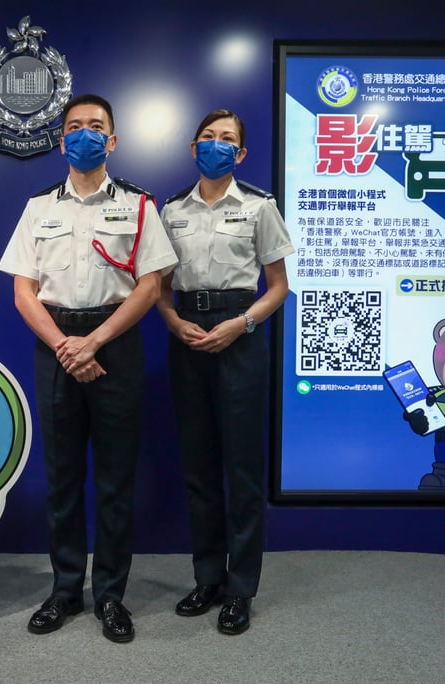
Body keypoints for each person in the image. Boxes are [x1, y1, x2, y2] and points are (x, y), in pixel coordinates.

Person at [0, 93, 177, 643]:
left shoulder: (139, 205)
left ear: (112, 140)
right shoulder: (39, 207)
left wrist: (93, 342)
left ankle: (111, 596)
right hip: (55, 345)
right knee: (63, 478)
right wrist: (65, 347)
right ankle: (64, 590)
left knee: (116, 479)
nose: (84, 134)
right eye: (74, 126)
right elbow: (23, 291)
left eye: (95, 126)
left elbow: (150, 286)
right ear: (61, 142)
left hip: (114, 343)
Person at [156, 109, 294, 635]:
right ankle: (208, 578)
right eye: (208, 137)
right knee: (198, 466)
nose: (217, 145)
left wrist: (241, 324)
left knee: (241, 469)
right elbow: (159, 287)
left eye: (228, 139)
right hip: (187, 333)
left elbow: (278, 287)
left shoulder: (259, 205)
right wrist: (173, 322)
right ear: (194, 148)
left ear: (241, 153)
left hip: (240, 333)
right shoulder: (171, 210)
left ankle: (241, 589)